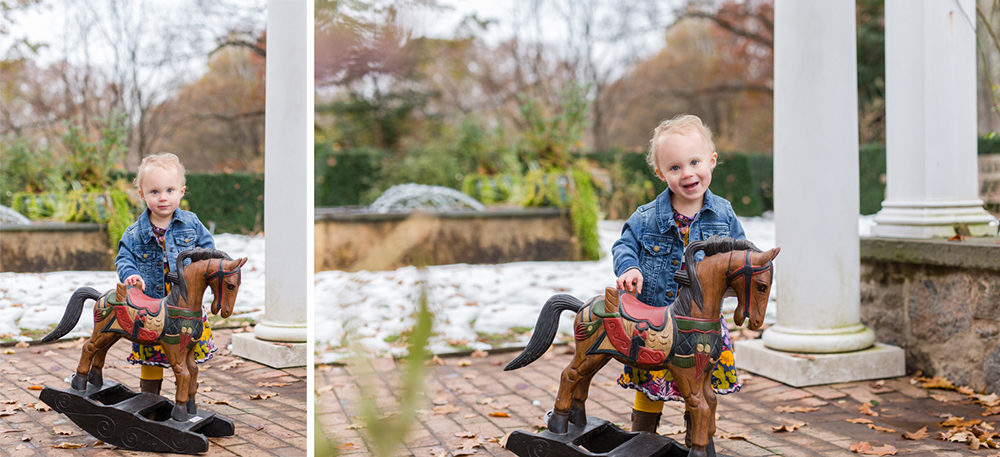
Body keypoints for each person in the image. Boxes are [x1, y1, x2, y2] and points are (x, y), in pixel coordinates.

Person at [611, 114, 746, 433]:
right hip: (657, 321)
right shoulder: (646, 219)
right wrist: (629, 267)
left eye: (694, 162)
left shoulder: (724, 215)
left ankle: (696, 437)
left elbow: (741, 257)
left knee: (697, 385)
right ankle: (642, 436)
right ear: (661, 173)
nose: (687, 173)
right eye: (675, 167)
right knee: (651, 380)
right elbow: (624, 245)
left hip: (701, 325)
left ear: (712, 161)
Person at [115, 152, 216, 395]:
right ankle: (150, 399)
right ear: (142, 195)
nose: (163, 198)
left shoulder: (191, 224)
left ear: (182, 191)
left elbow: (209, 251)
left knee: (185, 353)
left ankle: (187, 398)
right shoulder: (134, 233)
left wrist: (205, 269)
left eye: (170, 190)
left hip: (185, 303)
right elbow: (124, 257)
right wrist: (130, 275)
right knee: (152, 351)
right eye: (154, 192)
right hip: (153, 306)